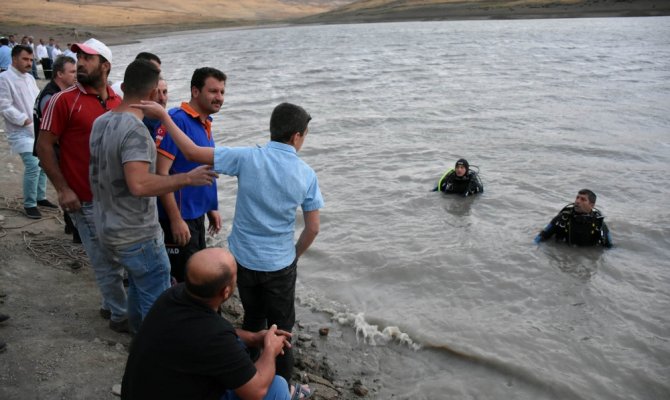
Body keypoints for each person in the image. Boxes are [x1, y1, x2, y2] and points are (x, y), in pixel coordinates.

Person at [137, 101, 323, 387]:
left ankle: (244, 375)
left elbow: (191, 151)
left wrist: (164, 116)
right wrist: (293, 255)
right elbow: (312, 229)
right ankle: (282, 387)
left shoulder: (247, 157)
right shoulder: (306, 174)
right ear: (297, 136)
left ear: (272, 129)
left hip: (243, 260)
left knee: (252, 320)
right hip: (280, 265)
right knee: (282, 330)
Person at [89, 59, 218, 334]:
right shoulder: (136, 132)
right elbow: (138, 184)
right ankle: (154, 355)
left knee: (138, 286)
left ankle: (138, 338)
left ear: (125, 87)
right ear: (151, 97)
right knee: (157, 303)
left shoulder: (101, 121)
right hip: (136, 234)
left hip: (106, 226)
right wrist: (187, 178)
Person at [121, 248, 303, 400]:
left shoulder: (173, 296)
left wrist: (255, 338)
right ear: (225, 292)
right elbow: (256, 391)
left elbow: (211, 336)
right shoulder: (213, 335)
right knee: (277, 386)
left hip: (141, 390)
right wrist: (270, 350)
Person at [37, 38, 128, 333]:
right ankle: (120, 316)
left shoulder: (116, 100)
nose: (80, 63)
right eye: (78, 58)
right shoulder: (63, 100)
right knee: (103, 260)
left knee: (116, 256)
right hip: (84, 198)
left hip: (116, 198)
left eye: (88, 58)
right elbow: (44, 146)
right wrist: (63, 190)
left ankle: (109, 304)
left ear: (105, 65)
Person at [154, 67, 224, 282]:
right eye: (213, 91)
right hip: (178, 218)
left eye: (222, 92)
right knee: (185, 281)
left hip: (196, 215)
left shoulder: (205, 122)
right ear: (195, 91)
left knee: (199, 276)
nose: (219, 97)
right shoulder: (176, 120)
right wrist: (175, 220)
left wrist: (211, 207)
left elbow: (203, 169)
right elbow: (161, 174)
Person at [0, 44, 57, 219]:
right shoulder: (4, 78)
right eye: (25, 59)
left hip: (36, 128)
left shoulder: (30, 78)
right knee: (33, 164)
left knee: (42, 163)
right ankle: (30, 204)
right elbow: (4, 105)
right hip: (19, 130)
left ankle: (41, 197)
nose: (29, 63)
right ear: (14, 58)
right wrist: (23, 119)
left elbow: (37, 100)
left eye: (31, 60)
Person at [32, 54, 78, 240]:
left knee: (69, 187)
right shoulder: (51, 97)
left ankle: (71, 227)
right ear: (59, 73)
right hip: (53, 151)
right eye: (72, 72)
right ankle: (76, 232)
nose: (76, 75)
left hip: (54, 149)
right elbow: (53, 131)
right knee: (68, 188)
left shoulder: (56, 93)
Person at [534, 189, 613, 248]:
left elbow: (609, 247)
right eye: (577, 198)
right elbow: (541, 237)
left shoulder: (599, 224)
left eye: (583, 199)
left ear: (591, 205)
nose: (577, 201)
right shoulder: (562, 219)